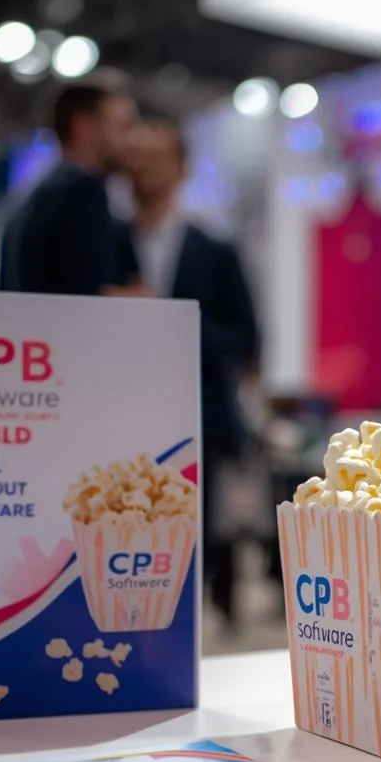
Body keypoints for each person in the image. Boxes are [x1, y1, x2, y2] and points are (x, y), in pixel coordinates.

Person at [125, 118, 260, 625]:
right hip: (128, 415)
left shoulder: (215, 250)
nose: (146, 168)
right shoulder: (109, 242)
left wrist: (169, 318)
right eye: (138, 157)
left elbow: (246, 337)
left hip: (202, 413)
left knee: (210, 528)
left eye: (158, 157)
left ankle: (217, 607)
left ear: (181, 169)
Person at [0, 80, 141, 296]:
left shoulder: (34, 195)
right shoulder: (82, 191)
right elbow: (91, 299)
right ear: (82, 126)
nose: (131, 141)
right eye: (123, 127)